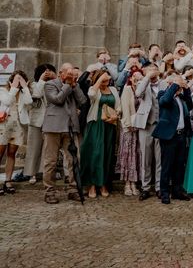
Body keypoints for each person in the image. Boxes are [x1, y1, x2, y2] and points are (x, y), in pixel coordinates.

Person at [42, 63, 87, 203]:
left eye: (73, 75)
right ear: (60, 72)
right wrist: (67, 85)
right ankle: (49, 191)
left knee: (73, 160)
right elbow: (57, 100)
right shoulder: (50, 84)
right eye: (68, 74)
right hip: (53, 127)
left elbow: (82, 101)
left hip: (70, 127)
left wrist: (75, 85)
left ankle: (73, 189)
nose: (71, 77)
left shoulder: (73, 85)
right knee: (51, 161)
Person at [152, 74, 193, 204]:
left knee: (179, 165)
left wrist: (186, 87)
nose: (178, 87)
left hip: (181, 135)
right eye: (176, 84)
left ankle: (177, 191)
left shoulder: (181, 98)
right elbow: (164, 102)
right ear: (170, 84)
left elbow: (190, 105)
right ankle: (164, 193)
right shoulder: (163, 94)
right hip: (169, 136)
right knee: (167, 165)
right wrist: (175, 84)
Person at [80, 69, 121, 198]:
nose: (106, 82)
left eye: (107, 80)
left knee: (107, 154)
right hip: (96, 124)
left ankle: (103, 183)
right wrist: (98, 81)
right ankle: (92, 184)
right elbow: (91, 95)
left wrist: (116, 116)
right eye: (104, 80)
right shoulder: (94, 89)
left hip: (109, 124)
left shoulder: (113, 90)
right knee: (95, 153)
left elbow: (118, 106)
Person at [0, 71, 33, 194]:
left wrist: (25, 87)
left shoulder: (24, 92)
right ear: (11, 80)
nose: (18, 82)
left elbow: (29, 103)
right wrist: (13, 87)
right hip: (3, 125)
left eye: (20, 80)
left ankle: (8, 181)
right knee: (0, 153)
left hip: (18, 126)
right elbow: (7, 101)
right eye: (16, 80)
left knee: (12, 153)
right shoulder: (3, 91)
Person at [23, 64, 56, 185]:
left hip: (51, 120)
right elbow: (36, 94)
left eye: (49, 71)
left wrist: (53, 77)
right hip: (36, 121)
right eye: (44, 71)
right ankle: (32, 173)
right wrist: (42, 79)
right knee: (34, 147)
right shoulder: (33, 85)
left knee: (47, 149)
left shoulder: (54, 84)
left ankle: (44, 173)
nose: (47, 73)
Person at [134, 63, 162, 200]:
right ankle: (145, 188)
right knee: (145, 158)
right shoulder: (142, 83)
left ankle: (158, 187)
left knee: (159, 158)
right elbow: (138, 93)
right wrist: (146, 78)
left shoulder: (164, 84)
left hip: (160, 125)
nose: (151, 72)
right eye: (149, 70)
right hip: (146, 125)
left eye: (153, 70)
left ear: (158, 71)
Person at [117, 68, 143, 196]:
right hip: (129, 127)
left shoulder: (142, 91)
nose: (137, 80)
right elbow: (125, 108)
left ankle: (135, 182)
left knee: (136, 155)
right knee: (128, 155)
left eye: (140, 78)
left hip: (139, 127)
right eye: (135, 77)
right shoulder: (127, 89)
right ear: (131, 78)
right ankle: (127, 183)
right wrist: (129, 125)